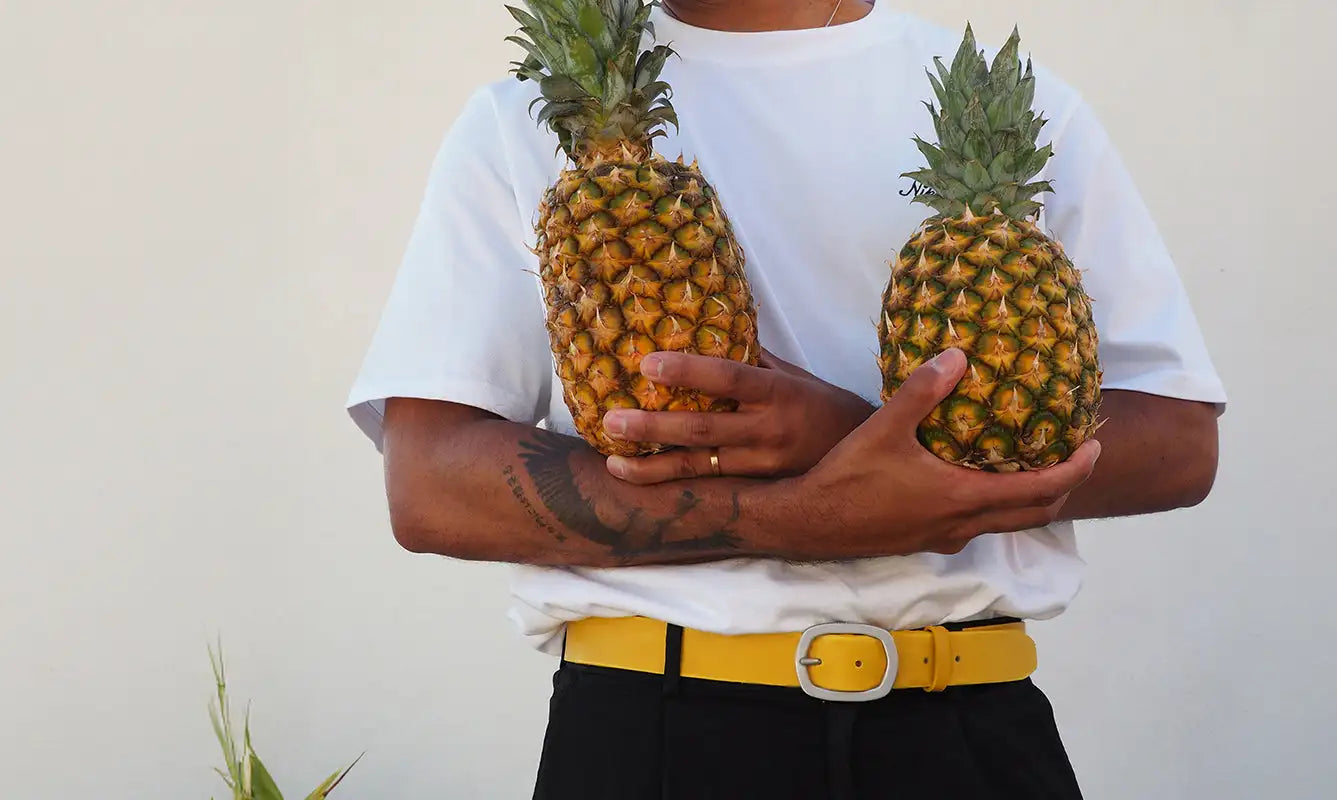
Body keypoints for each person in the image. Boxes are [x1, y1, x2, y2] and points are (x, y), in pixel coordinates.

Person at [344, 0, 1226, 797]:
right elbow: (432, 486)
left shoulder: (1006, 102)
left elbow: (1178, 438)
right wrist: (811, 514)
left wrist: (856, 437)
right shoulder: (518, 121)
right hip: (653, 723)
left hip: (962, 719)